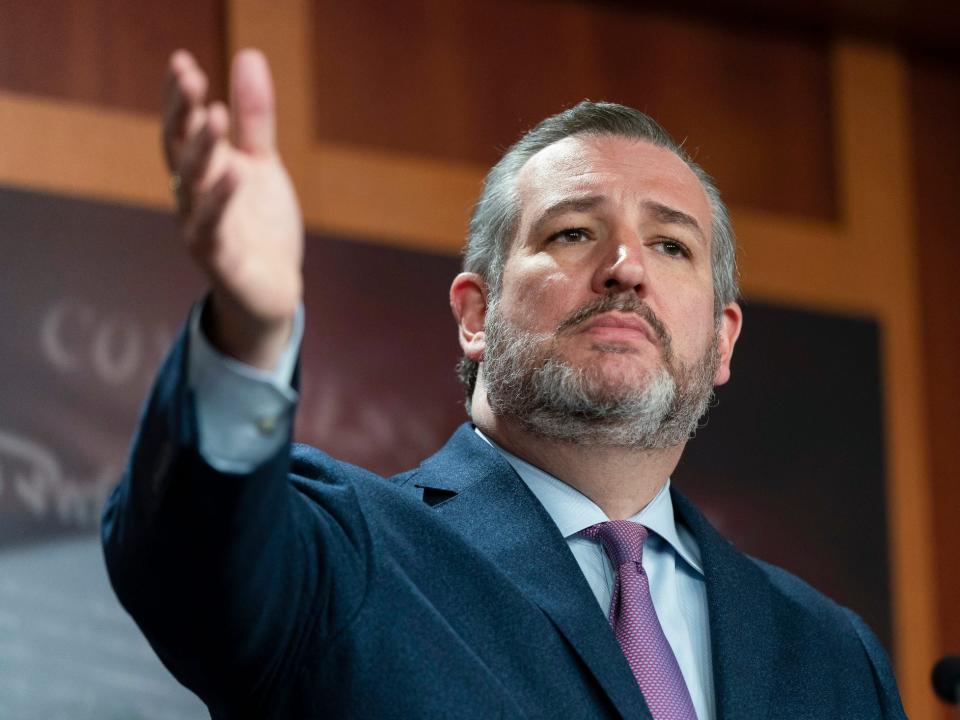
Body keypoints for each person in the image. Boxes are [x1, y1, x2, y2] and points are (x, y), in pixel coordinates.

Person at [102, 48, 907, 720]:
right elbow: (190, 563)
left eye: (670, 246)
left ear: (722, 339)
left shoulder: (836, 659)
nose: (625, 268)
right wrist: (251, 333)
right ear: (475, 315)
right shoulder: (347, 553)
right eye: (574, 231)